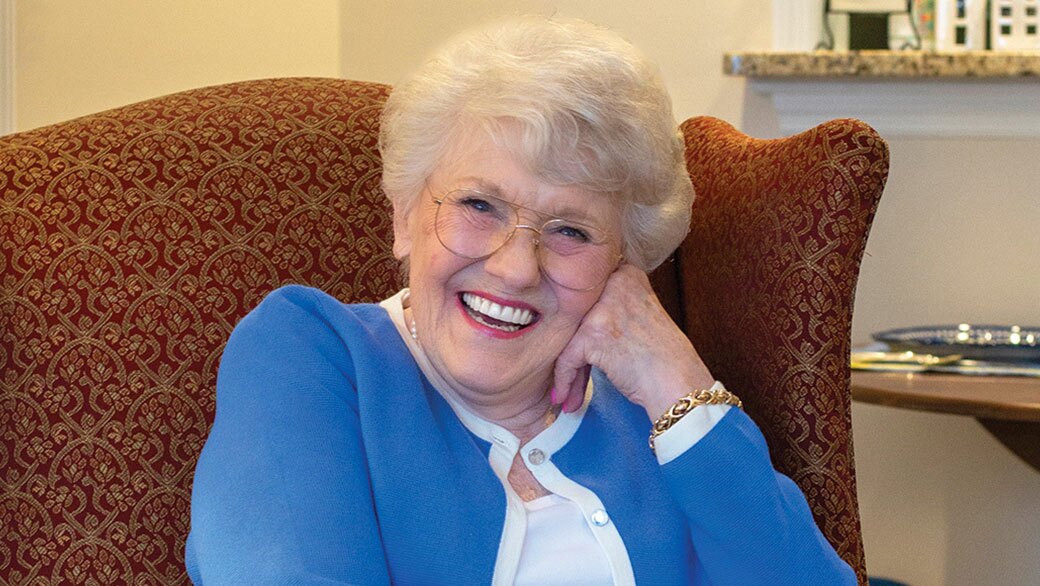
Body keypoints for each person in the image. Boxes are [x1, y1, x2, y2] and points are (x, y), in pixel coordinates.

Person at [185, 16, 856, 586]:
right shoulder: (313, 355)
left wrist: (673, 380)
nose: (513, 267)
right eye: (480, 205)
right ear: (403, 216)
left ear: (623, 263)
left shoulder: (654, 416)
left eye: (571, 231)